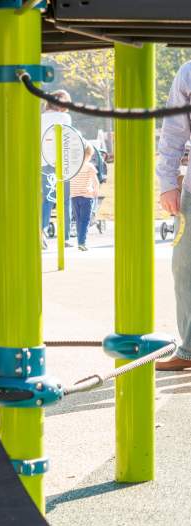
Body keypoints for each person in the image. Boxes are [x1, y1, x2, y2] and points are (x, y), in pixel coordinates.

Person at [156, 62, 191, 371]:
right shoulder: (188, 72)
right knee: (185, 267)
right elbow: (173, 132)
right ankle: (190, 348)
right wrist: (168, 182)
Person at [41, 90, 74, 249]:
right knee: (65, 200)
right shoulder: (65, 118)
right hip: (63, 162)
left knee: (48, 198)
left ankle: (42, 232)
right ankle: (65, 237)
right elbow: (68, 140)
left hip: (44, 161)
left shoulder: (40, 118)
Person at [69, 143, 100, 251]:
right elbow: (95, 182)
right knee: (85, 220)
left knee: (78, 220)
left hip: (74, 197)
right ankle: (82, 242)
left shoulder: (73, 166)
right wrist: (96, 191)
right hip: (86, 197)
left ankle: (80, 241)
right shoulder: (89, 166)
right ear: (89, 154)